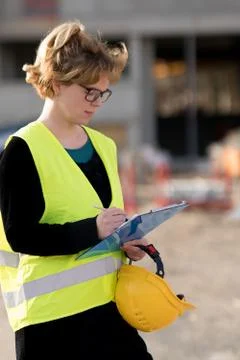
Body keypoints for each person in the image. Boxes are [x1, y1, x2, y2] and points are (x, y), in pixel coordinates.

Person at [0, 21, 153, 360]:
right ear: (55, 84)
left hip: (109, 309)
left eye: (103, 93)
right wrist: (93, 229)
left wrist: (125, 242)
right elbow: (20, 235)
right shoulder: (22, 149)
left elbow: (104, 221)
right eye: (89, 92)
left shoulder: (104, 146)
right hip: (50, 325)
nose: (97, 102)